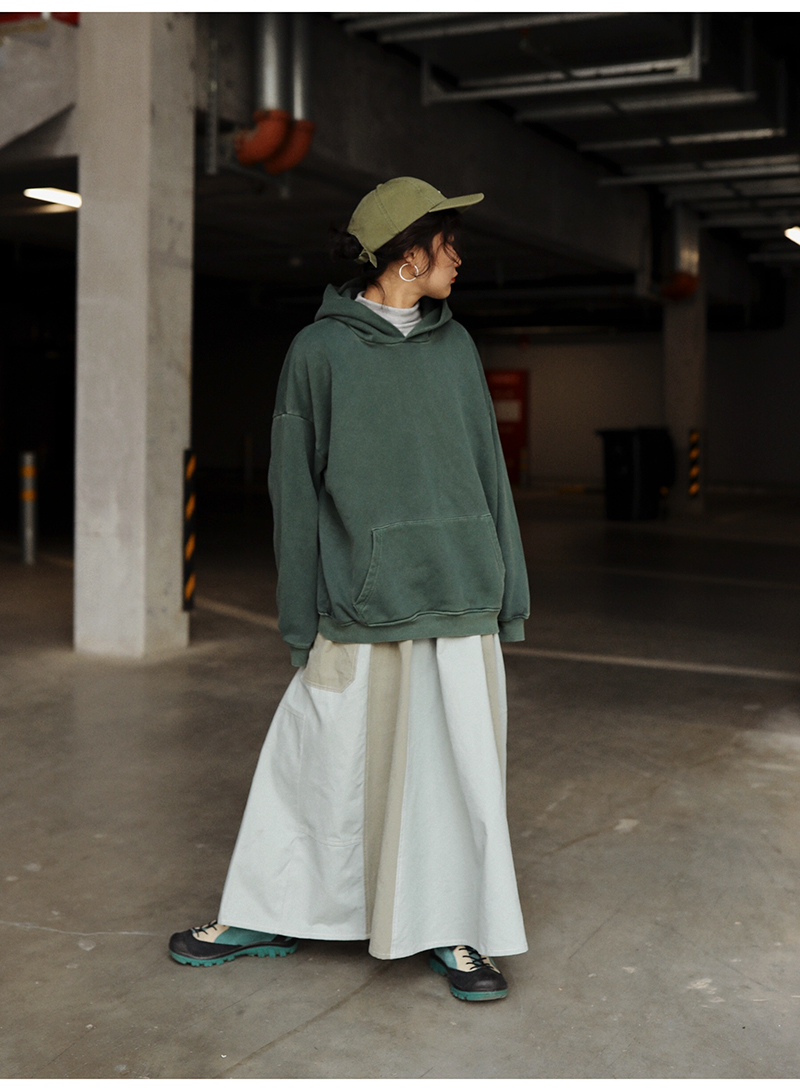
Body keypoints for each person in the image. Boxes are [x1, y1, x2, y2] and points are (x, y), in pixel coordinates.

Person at [169, 177, 530, 1003]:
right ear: (407, 256)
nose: (459, 258)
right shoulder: (318, 352)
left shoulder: (457, 348)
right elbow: (294, 494)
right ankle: (265, 909)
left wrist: (507, 590)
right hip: (360, 607)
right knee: (316, 760)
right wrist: (300, 618)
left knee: (456, 775)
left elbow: (491, 474)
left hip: (459, 599)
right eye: (447, 243)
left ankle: (454, 929)